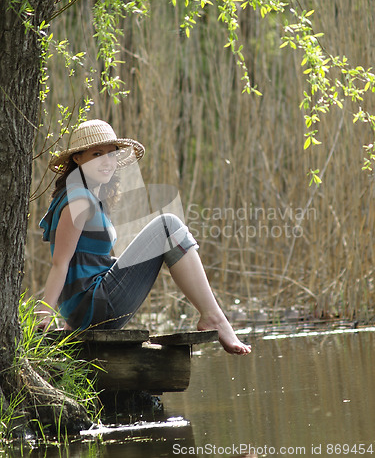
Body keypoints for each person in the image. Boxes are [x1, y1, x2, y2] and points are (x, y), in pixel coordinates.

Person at [36, 119, 251, 355]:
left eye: (111, 154)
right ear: (77, 158)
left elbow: (84, 264)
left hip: (89, 310)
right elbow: (61, 263)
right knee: (168, 226)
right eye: (97, 154)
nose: (107, 161)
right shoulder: (78, 199)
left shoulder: (83, 194)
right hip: (95, 307)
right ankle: (214, 318)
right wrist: (44, 313)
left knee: (162, 231)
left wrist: (73, 323)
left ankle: (214, 317)